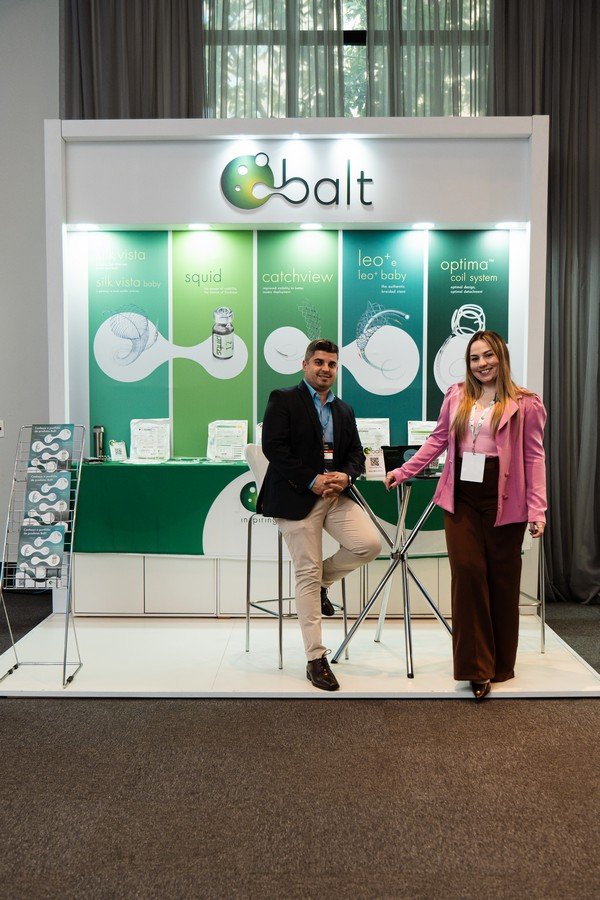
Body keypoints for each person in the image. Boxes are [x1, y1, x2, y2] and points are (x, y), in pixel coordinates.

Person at [385, 331, 547, 700]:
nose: (482, 364)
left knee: (502, 580)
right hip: (461, 493)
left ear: (501, 357)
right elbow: (438, 439)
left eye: (488, 355)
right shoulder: (457, 395)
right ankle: (476, 668)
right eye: (475, 358)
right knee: (468, 573)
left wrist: (538, 508)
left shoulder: (526, 404)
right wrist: (404, 470)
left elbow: (534, 458)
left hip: (505, 495)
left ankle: (501, 664)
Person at [258, 339, 382, 691]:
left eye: (331, 364)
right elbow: (274, 448)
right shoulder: (284, 399)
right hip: (297, 496)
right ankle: (316, 658)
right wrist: (311, 479)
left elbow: (356, 454)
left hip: (334, 496)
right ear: (305, 365)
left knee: (369, 544)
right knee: (306, 572)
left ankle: (322, 582)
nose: (325, 369)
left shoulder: (344, 410)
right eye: (319, 362)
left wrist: (346, 476)